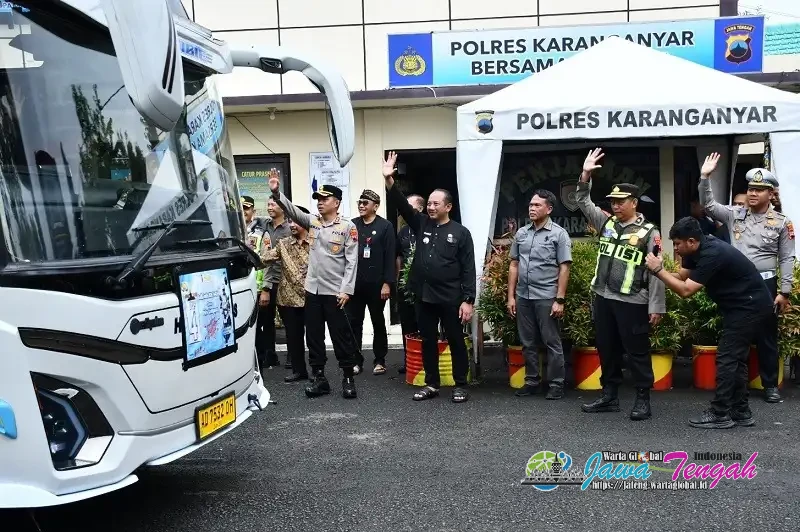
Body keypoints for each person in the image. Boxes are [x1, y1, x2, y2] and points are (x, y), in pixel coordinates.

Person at [645, 217, 773, 428]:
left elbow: (686, 290)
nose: (675, 249)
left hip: (751, 307)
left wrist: (659, 271)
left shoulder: (712, 253)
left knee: (727, 358)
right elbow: (683, 276)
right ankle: (741, 411)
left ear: (692, 241)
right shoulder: (693, 251)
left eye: (678, 244)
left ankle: (720, 413)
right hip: (739, 307)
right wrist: (656, 270)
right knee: (735, 359)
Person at [575, 148, 666, 421]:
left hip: (633, 301)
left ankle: (642, 399)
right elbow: (582, 200)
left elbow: (657, 271)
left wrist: (656, 306)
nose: (615, 205)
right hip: (603, 298)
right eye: (613, 201)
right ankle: (609, 395)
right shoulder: (606, 223)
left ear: (634, 202)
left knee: (637, 352)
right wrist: (586, 173)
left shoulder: (650, 233)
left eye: (621, 201)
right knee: (607, 348)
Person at [697, 154, 795, 403]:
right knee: (735, 333)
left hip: (765, 283)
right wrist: (704, 177)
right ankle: (735, 386)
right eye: (750, 188)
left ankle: (770, 384)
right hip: (737, 285)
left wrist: (784, 291)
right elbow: (708, 206)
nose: (752, 193)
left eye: (759, 190)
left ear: (771, 194)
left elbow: (786, 258)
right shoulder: (734, 214)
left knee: (766, 336)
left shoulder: (782, 223)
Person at [382, 151, 476, 403]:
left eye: (436, 204)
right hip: (423, 295)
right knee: (428, 340)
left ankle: (460, 384)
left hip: (451, 297)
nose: (431, 207)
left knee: (456, 340)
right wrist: (390, 181)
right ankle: (431, 383)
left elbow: (468, 267)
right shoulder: (421, 223)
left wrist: (468, 299)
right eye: (430, 203)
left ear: (448, 207)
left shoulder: (461, 232)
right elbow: (402, 205)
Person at [269, 178, 361, 399]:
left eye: (324, 198)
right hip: (313, 292)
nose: (320, 202)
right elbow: (291, 210)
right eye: (318, 199)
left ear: (336, 202)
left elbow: (352, 261)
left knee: (341, 337)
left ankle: (348, 378)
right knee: (314, 337)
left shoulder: (347, 227)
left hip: (335, 293)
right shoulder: (313, 222)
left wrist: (346, 290)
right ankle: (319, 378)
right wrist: (276, 192)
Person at [507, 190, 572, 400]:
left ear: (549, 209)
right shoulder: (522, 233)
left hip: (546, 296)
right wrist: (511, 296)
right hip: (523, 296)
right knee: (527, 342)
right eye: (531, 205)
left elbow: (564, 268)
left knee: (552, 342)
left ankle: (556, 384)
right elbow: (514, 265)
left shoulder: (559, 234)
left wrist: (559, 299)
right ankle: (532, 381)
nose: (532, 208)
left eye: (537, 205)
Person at [347, 189, 396, 375]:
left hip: (377, 285)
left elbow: (390, 256)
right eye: (360, 202)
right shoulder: (352, 225)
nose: (361, 205)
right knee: (354, 322)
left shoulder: (385, 226)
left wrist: (387, 283)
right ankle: (355, 360)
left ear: (375, 206)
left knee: (377, 321)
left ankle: (380, 359)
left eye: (365, 203)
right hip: (356, 284)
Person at [261, 206, 312, 382]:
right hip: (288, 299)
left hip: (311, 297)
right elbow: (265, 258)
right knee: (293, 335)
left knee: (313, 336)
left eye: (295, 221)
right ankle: (299, 370)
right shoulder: (283, 243)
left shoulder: (316, 242)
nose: (291, 224)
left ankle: (318, 371)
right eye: (290, 221)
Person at [257, 197, 292, 369]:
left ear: (283, 208)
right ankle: (270, 356)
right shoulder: (265, 226)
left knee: (290, 320)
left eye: (273, 204)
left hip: (287, 281)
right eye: (268, 204)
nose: (269, 207)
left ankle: (293, 356)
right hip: (269, 280)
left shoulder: (291, 228)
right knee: (267, 320)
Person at [396, 194, 425, 374]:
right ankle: (410, 360)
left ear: (420, 209)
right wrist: (398, 280)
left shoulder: (428, 227)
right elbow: (398, 256)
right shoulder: (403, 232)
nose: (406, 208)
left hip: (423, 285)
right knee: (407, 324)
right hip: (405, 284)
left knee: (423, 323)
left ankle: (426, 360)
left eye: (410, 205)